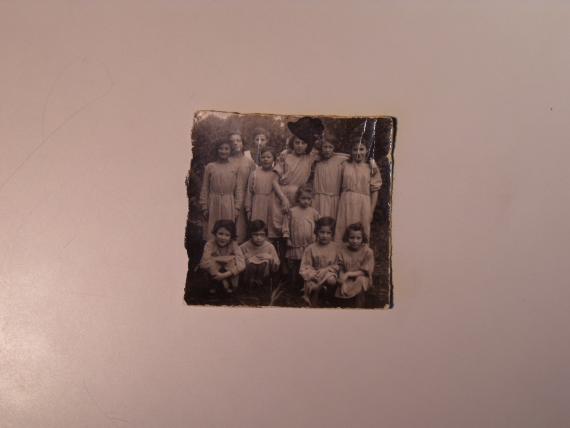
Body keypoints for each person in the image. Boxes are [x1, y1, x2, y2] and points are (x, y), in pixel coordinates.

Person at [334, 137, 382, 240]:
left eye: (361, 149)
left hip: (363, 203)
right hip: (346, 201)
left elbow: (375, 190)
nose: (358, 152)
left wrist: (371, 211)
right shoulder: (345, 165)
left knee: (361, 231)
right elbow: (332, 156)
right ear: (351, 151)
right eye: (355, 149)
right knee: (343, 230)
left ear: (367, 150)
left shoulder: (371, 167)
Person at [199, 140, 243, 240]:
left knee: (227, 229)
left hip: (229, 203)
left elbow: (238, 189)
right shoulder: (210, 167)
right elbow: (205, 187)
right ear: (217, 150)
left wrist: (237, 207)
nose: (223, 151)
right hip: (213, 202)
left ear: (230, 150)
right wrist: (204, 206)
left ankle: (226, 254)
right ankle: (211, 253)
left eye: (226, 149)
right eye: (221, 148)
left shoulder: (235, 167)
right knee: (212, 230)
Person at [244, 148, 289, 240]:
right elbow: (249, 192)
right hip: (258, 205)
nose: (265, 159)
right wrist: (248, 209)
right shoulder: (254, 173)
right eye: (263, 157)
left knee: (271, 229)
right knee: (258, 228)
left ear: (274, 159)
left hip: (272, 205)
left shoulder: (276, 174)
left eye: (268, 157)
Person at [282, 185, 319, 290]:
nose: (306, 201)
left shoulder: (313, 212)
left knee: (306, 264)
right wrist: (287, 237)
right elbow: (286, 225)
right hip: (295, 243)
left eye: (308, 199)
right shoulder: (292, 211)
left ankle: (304, 283)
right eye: (303, 198)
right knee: (294, 264)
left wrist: (316, 238)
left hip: (308, 244)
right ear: (298, 198)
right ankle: (292, 282)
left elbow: (318, 226)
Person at [300, 217, 339, 307]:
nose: (325, 235)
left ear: (332, 234)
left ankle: (328, 298)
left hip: (329, 273)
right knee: (314, 287)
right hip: (315, 274)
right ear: (316, 232)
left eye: (328, 233)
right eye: (322, 232)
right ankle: (315, 298)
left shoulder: (336, 248)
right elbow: (305, 265)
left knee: (331, 280)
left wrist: (327, 269)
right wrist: (312, 274)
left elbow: (338, 264)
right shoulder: (310, 248)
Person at [199, 220, 245, 294]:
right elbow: (204, 263)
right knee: (210, 262)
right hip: (214, 272)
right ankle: (215, 285)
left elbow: (241, 264)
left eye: (227, 235)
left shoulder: (234, 245)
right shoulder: (210, 244)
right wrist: (217, 275)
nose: (223, 238)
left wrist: (224, 275)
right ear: (215, 233)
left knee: (233, 261)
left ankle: (229, 285)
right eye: (220, 234)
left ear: (231, 236)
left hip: (228, 272)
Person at [335, 222, 375, 307]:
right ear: (347, 238)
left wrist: (348, 274)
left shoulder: (367, 252)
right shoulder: (342, 251)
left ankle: (359, 307)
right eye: (351, 238)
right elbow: (341, 268)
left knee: (360, 280)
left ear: (363, 238)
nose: (355, 241)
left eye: (358, 238)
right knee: (341, 287)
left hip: (361, 277)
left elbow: (365, 272)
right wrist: (342, 281)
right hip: (346, 278)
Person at [312, 130, 349, 218]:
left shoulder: (339, 161)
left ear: (334, 148)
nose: (327, 150)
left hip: (333, 198)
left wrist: (335, 155)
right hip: (318, 198)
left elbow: (349, 156)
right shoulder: (317, 161)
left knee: (331, 222)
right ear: (321, 148)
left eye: (330, 147)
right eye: (325, 147)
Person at [229, 131, 256, 243]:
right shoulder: (227, 160)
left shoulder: (249, 162)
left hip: (245, 200)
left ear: (243, 143)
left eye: (238, 140)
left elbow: (254, 183)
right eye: (232, 141)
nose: (235, 143)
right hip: (229, 199)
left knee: (242, 231)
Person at [240, 220, 280, 291]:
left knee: (265, 260)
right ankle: (250, 284)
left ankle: (261, 283)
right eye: (255, 234)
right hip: (248, 277)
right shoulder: (244, 246)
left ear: (265, 235)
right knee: (250, 261)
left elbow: (276, 265)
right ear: (250, 235)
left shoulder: (269, 247)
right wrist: (246, 258)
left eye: (262, 235)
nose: (259, 238)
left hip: (265, 276)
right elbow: (238, 263)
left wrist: (270, 258)